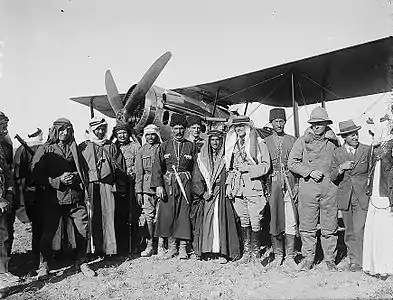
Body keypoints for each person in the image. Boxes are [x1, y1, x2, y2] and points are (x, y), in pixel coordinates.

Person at [31, 118, 95, 278]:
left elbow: (83, 171)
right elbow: (36, 175)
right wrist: (57, 180)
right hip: (54, 198)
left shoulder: (74, 148)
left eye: (68, 130)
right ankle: (44, 264)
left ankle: (81, 261)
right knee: (48, 232)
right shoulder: (45, 149)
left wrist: (74, 176)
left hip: (74, 197)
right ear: (55, 131)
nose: (65, 133)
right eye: (61, 130)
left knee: (83, 228)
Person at [288, 107, 339, 271]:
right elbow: (292, 163)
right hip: (308, 188)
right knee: (307, 226)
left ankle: (330, 258)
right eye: (314, 123)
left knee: (330, 225)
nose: (317, 126)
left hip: (329, 189)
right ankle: (308, 258)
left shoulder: (333, 142)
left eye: (320, 123)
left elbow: (339, 162)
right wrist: (309, 171)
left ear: (326, 124)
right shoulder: (302, 141)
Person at [225, 115, 270, 263]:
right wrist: (229, 185)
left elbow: (265, 166)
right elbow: (230, 167)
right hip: (238, 188)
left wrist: (249, 168)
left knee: (255, 220)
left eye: (241, 126)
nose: (238, 129)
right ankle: (246, 253)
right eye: (236, 127)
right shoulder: (232, 144)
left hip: (254, 185)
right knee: (244, 220)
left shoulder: (258, 143)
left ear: (248, 127)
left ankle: (256, 253)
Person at [191, 128, 241, 262]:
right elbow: (197, 176)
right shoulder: (201, 157)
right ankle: (207, 251)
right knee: (207, 221)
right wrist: (202, 192)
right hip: (208, 194)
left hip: (222, 193)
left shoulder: (227, 156)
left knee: (221, 221)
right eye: (212, 139)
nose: (215, 142)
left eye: (217, 139)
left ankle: (222, 252)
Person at [151, 113, 195, 260]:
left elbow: (196, 169)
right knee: (167, 215)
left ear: (185, 129)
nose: (179, 131)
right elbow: (157, 167)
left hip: (185, 183)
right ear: (171, 129)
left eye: (182, 128)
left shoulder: (191, 146)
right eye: (176, 128)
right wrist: (158, 186)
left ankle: (183, 247)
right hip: (168, 183)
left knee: (183, 215)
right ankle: (172, 247)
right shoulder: (164, 146)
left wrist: (195, 188)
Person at [79, 117, 126, 257]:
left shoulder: (111, 146)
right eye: (97, 129)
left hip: (107, 186)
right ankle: (90, 250)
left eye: (102, 129)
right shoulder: (84, 146)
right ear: (92, 130)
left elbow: (120, 166)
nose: (100, 132)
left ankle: (108, 249)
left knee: (108, 216)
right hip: (90, 187)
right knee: (90, 216)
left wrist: (119, 186)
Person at [330, 119, 370, 272]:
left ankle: (364, 260)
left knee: (361, 229)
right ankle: (354, 261)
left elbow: (372, 171)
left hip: (362, 196)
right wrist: (341, 168)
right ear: (344, 137)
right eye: (351, 135)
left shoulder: (366, 150)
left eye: (356, 134)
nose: (355, 137)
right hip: (345, 197)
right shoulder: (337, 154)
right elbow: (332, 176)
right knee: (350, 230)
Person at [264, 108, 297, 268]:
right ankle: (278, 255)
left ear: (285, 122)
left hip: (290, 180)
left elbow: (298, 162)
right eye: (275, 121)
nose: (279, 124)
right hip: (273, 182)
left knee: (290, 217)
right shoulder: (265, 141)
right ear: (271, 123)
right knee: (275, 218)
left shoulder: (292, 140)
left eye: (281, 121)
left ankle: (290, 256)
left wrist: (296, 184)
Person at [362, 112, 393, 277]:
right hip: (375, 189)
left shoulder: (391, 143)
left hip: (388, 190)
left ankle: (387, 264)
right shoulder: (375, 145)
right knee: (376, 225)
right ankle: (376, 263)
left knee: (387, 225)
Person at [14, 128, 44, 268]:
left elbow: (18, 176)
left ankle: (39, 258)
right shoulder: (42, 148)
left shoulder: (21, 150)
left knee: (38, 229)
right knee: (41, 228)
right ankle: (41, 258)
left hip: (30, 193)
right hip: (39, 193)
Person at [113, 123, 141, 254]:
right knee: (119, 215)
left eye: (124, 133)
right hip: (118, 185)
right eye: (119, 134)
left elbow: (139, 162)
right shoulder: (113, 147)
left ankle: (135, 244)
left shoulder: (135, 146)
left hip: (132, 183)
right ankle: (121, 245)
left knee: (133, 215)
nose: (122, 136)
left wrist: (133, 171)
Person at [134, 124, 162, 257]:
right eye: (148, 135)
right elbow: (139, 173)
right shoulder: (141, 151)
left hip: (160, 186)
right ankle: (150, 244)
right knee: (148, 218)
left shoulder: (162, 148)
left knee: (161, 216)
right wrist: (139, 191)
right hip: (146, 188)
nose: (150, 137)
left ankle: (161, 244)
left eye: (153, 134)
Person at [0, 111, 19, 285]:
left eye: (6, 125)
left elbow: (7, 172)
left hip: (4, 198)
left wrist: (10, 192)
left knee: (4, 233)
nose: (5, 129)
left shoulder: (4, 146)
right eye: (1, 125)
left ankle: (3, 271)